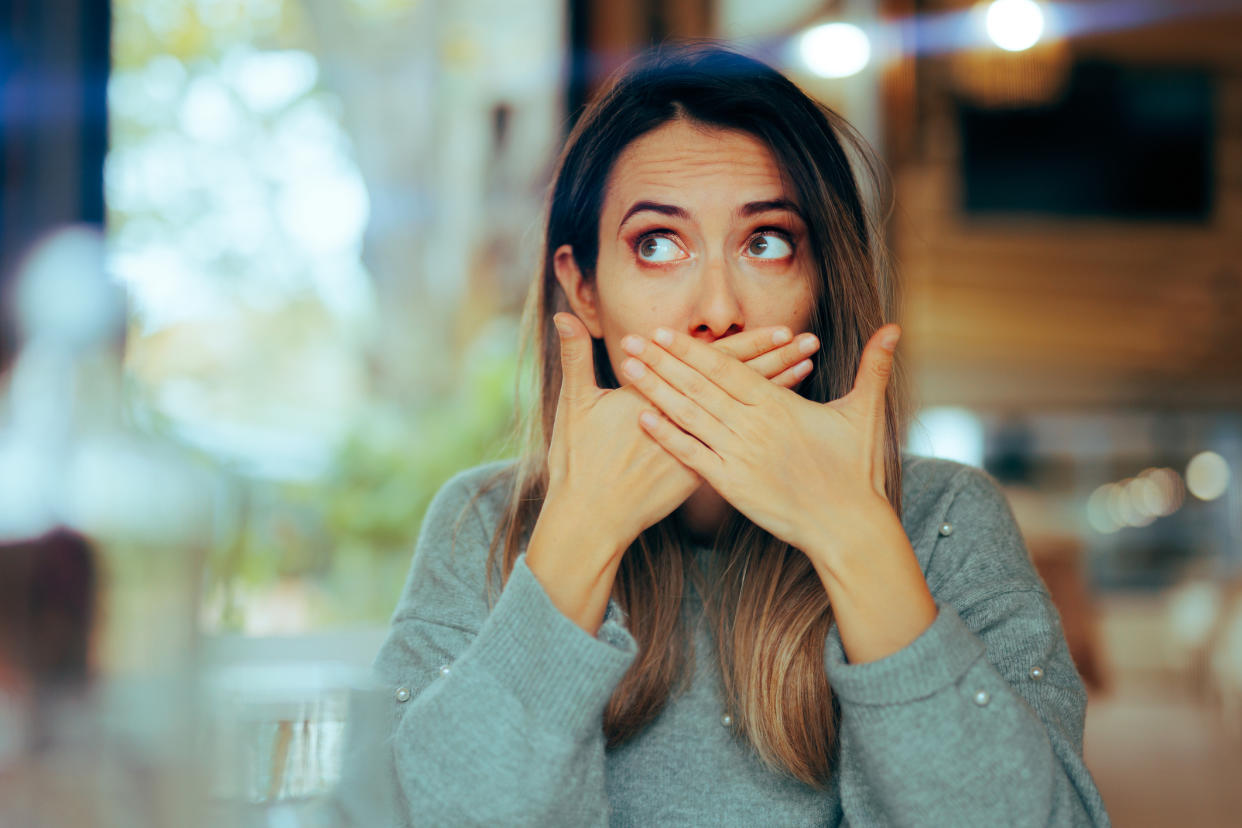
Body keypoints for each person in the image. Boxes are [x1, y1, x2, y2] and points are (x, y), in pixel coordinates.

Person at [359, 43, 1111, 826]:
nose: (717, 308)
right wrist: (578, 536)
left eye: (767, 241)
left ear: (819, 286)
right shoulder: (483, 524)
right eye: (657, 244)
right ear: (584, 291)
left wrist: (853, 535)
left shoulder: (945, 517)